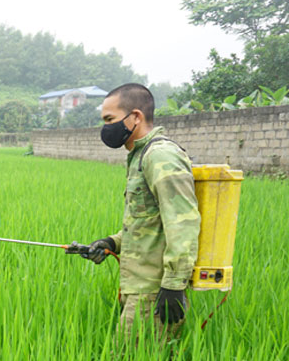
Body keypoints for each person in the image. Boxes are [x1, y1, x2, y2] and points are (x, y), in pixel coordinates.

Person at [73, 83, 200, 339]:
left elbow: (183, 222)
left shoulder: (160, 156)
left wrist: (174, 285)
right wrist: (110, 243)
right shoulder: (140, 156)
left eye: (110, 119)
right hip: (140, 287)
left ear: (136, 117)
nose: (106, 128)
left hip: (153, 290)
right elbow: (147, 222)